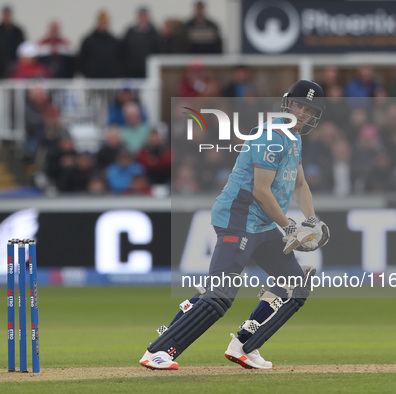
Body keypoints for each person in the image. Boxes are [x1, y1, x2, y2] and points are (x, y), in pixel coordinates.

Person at [139, 80, 331, 370]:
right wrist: (291, 228)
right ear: (287, 104)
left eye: (309, 109)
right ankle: (159, 350)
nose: (302, 114)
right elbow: (261, 191)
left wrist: (312, 220)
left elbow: (300, 184)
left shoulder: (294, 138)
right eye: (298, 106)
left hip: (262, 224)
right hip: (238, 218)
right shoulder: (271, 136)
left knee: (294, 285)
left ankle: (245, 345)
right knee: (220, 293)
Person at [121, 7, 160, 78]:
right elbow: (123, 50)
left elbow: (158, 51)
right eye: (141, 16)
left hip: (148, 72)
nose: (143, 18)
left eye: (144, 16)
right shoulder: (130, 32)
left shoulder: (154, 34)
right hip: (131, 72)